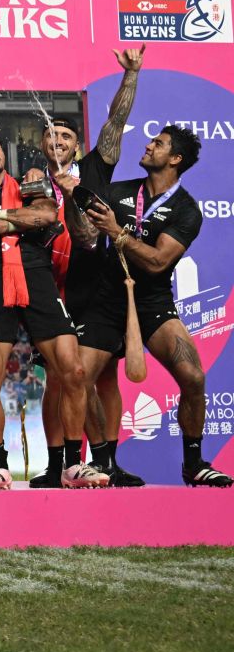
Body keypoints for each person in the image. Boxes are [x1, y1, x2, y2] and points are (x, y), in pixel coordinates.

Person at [76, 126, 231, 488]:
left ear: (175, 159)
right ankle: (103, 463)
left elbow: (159, 262)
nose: (148, 145)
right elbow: (86, 237)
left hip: (152, 302)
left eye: (158, 144)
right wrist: (74, 203)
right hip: (105, 301)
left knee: (193, 377)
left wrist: (118, 232)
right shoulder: (119, 192)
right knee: (77, 379)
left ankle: (193, 463)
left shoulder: (186, 210)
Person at [0, 129, 104, 488]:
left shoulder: (29, 182)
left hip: (36, 277)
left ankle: (73, 464)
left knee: (74, 372)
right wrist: (18, 218)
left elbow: (47, 216)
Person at [26, 45, 145, 488]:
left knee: (105, 378)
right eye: (50, 138)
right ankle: (59, 465)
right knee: (57, 380)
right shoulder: (34, 182)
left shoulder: (94, 167)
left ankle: (108, 461)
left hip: (97, 287)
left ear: (78, 144)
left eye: (65, 138)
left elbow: (115, 121)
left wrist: (130, 75)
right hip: (54, 292)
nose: (56, 143)